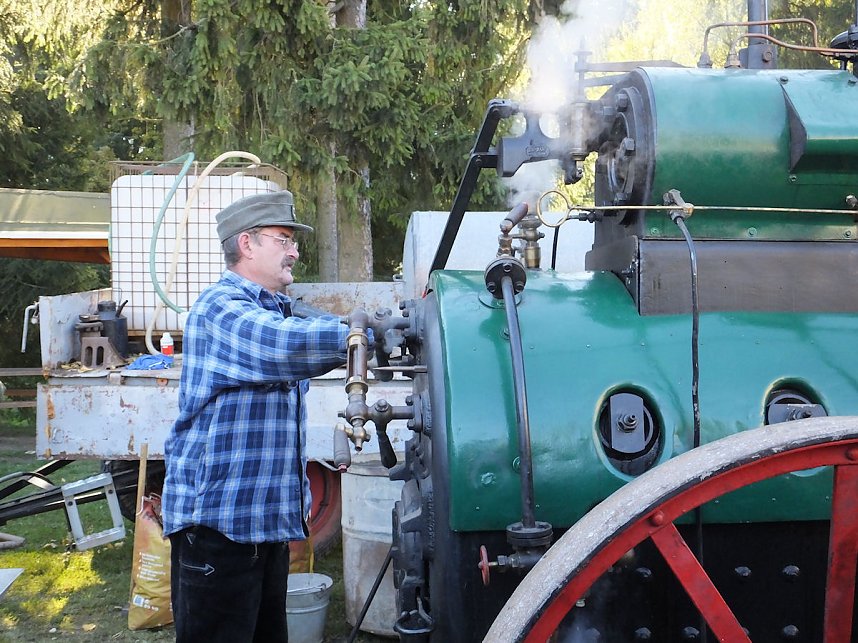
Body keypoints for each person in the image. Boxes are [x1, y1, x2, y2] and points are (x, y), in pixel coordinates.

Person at [162, 189, 350, 642]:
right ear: (246, 244)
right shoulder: (220, 309)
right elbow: (281, 345)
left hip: (263, 530)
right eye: (283, 239)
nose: (295, 250)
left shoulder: (280, 309)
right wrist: (359, 334)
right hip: (218, 532)